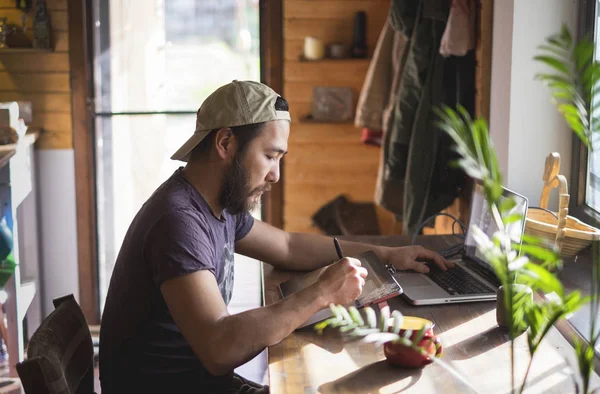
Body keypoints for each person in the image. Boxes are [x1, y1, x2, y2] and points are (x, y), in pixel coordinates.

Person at [98, 80, 453, 394]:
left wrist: (385, 254)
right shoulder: (178, 222)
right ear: (225, 143)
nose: (275, 176)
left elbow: (287, 246)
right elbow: (219, 349)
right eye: (270, 156)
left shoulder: (216, 203)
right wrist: (322, 293)